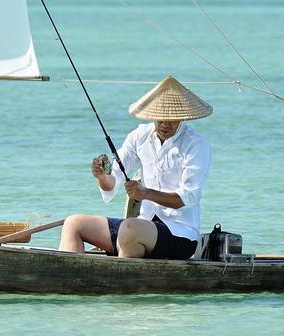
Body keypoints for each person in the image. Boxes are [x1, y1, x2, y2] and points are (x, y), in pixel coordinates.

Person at [59, 76, 213, 259]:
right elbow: (112, 179)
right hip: (141, 226)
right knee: (73, 223)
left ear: (182, 116)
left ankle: (122, 282)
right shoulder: (140, 135)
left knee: (129, 228)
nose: (164, 123)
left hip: (180, 235)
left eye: (171, 119)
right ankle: (72, 280)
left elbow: (188, 198)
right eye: (160, 117)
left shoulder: (196, 145)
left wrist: (146, 193)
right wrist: (102, 177)